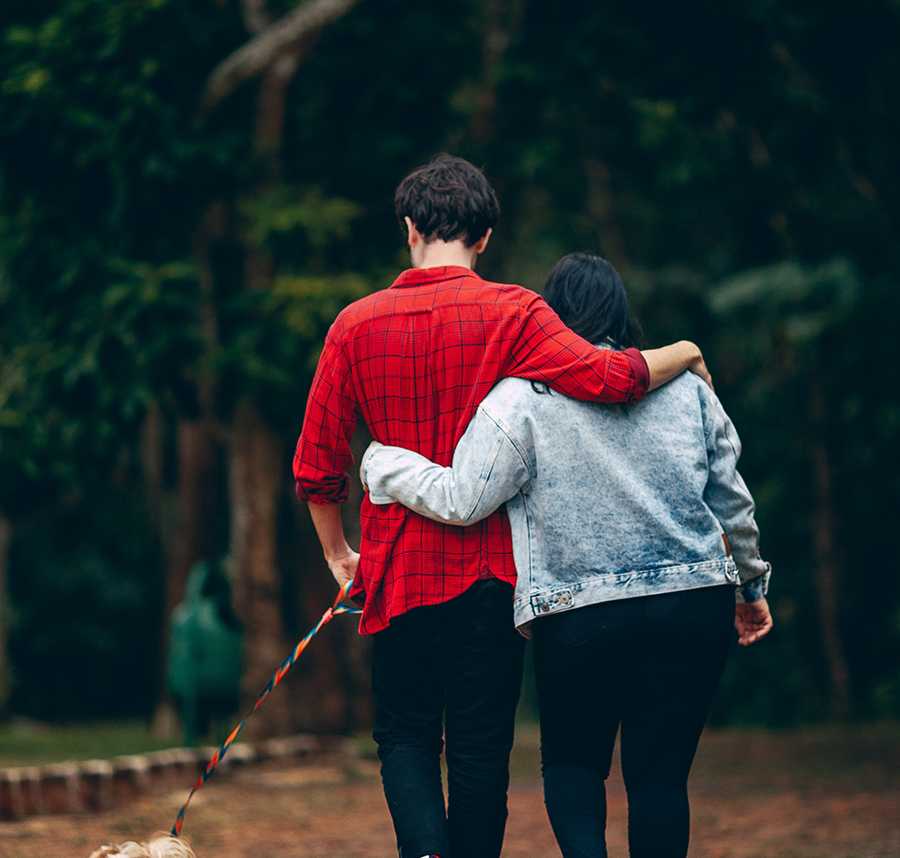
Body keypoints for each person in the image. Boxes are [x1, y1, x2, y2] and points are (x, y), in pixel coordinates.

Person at [293, 157, 712, 858]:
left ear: (408, 229)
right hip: (492, 579)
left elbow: (317, 463)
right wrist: (687, 349)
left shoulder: (353, 326)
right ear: (485, 237)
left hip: (395, 577)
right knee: (482, 747)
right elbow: (611, 380)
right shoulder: (516, 312)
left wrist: (340, 555)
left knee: (404, 735)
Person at [360, 252, 773, 858]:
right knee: (660, 779)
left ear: (545, 315)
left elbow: (464, 498)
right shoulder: (689, 391)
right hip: (692, 602)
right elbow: (733, 505)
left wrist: (382, 463)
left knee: (575, 770)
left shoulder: (521, 399)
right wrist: (751, 591)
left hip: (581, 615)